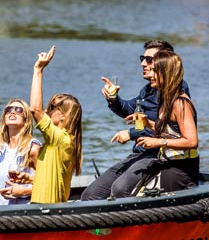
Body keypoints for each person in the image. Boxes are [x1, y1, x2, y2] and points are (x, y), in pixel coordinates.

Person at [81, 40, 190, 200]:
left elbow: (169, 129)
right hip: (140, 154)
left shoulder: (175, 92)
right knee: (91, 195)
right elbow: (130, 110)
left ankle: (131, 222)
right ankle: (102, 225)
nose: (143, 64)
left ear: (165, 61)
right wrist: (113, 99)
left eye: (149, 60)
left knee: (120, 189)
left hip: (157, 156)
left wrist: (132, 133)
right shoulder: (147, 90)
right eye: (142, 59)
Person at [136, 50, 199, 192]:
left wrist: (159, 142)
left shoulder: (180, 103)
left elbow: (191, 141)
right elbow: (173, 132)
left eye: (154, 71)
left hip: (181, 170)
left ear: (166, 73)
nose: (150, 75)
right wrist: (149, 124)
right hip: (167, 164)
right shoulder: (165, 98)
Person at [30, 46, 83, 203]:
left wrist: (38, 70)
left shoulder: (60, 140)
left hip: (46, 212)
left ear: (63, 116)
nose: (46, 110)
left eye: (52, 108)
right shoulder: (63, 141)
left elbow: (34, 109)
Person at [0, 99, 41, 205]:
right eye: (8, 110)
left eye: (18, 110)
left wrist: (22, 191)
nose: (12, 112)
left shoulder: (33, 149)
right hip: (1, 213)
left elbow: (48, 185)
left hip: (26, 214)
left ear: (26, 119)